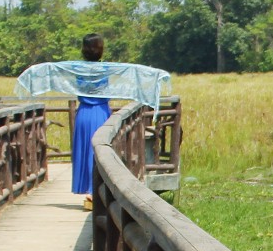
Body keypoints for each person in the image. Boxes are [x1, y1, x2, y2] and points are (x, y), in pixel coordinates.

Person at [13, 38, 172, 209]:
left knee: (86, 151)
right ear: (101, 50)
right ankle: (96, 190)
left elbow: (53, 69)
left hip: (83, 114)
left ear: (83, 50)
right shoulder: (106, 68)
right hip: (101, 112)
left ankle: (90, 190)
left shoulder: (76, 68)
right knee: (101, 151)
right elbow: (132, 71)